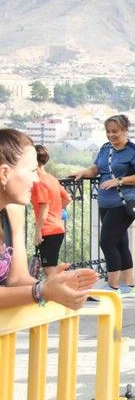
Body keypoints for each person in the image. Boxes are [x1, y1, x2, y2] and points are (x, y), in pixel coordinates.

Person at [0, 130, 98, 309]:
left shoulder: (13, 211)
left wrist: (58, 286)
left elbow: (17, 279)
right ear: (4, 173)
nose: (36, 179)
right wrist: (41, 291)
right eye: (31, 171)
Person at [68, 115, 135, 296]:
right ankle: (129, 286)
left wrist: (118, 181)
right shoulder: (105, 148)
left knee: (107, 242)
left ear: (125, 130)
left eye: (115, 132)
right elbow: (96, 169)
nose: (111, 135)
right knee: (120, 243)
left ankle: (112, 287)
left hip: (123, 204)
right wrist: (83, 173)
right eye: (108, 132)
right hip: (105, 203)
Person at [31, 145, 72, 276]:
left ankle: (56, 295)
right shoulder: (51, 178)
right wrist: (55, 212)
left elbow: (44, 208)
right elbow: (67, 198)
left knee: (49, 270)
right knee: (51, 267)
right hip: (57, 228)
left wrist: (37, 232)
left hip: (47, 230)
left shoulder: (38, 182)